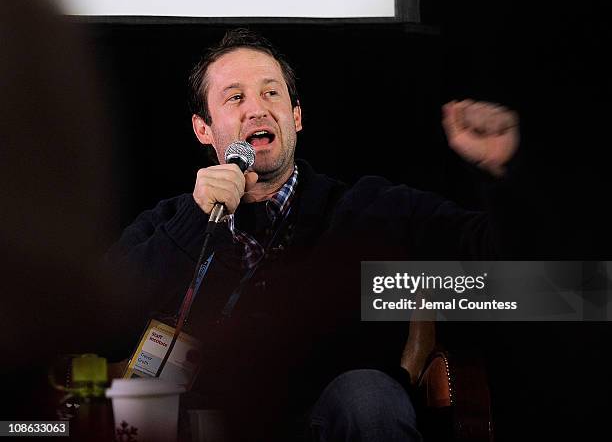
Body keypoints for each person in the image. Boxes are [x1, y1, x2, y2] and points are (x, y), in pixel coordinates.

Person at [107, 28, 520, 441]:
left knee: (367, 395)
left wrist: (506, 175)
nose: (257, 110)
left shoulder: (369, 209)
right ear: (203, 128)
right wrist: (196, 224)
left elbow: (510, 270)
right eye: (235, 97)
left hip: (330, 422)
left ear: (296, 116)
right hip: (209, 425)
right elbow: (97, 325)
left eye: (272, 94)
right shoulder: (170, 224)